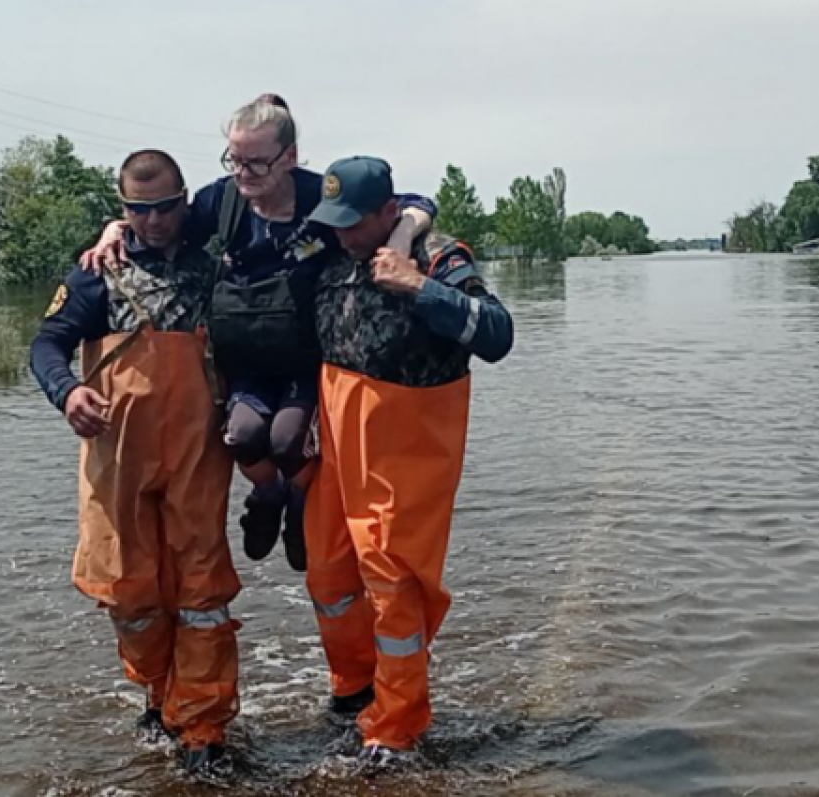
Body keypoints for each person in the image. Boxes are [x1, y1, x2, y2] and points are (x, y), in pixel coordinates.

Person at [80, 95, 436, 574]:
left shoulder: (317, 198)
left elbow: (415, 203)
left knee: (289, 441)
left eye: (257, 163)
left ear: (290, 157)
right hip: (246, 359)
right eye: (235, 161)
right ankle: (267, 495)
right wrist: (114, 228)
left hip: (303, 355)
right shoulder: (221, 203)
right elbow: (158, 221)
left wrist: (399, 239)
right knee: (243, 436)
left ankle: (298, 501)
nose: (244, 174)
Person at [30, 150, 240, 779]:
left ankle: (203, 726)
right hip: (117, 459)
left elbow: (270, 183)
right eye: (137, 210)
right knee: (131, 593)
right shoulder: (99, 271)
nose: (154, 221)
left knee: (202, 592)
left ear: (185, 202)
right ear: (121, 211)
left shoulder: (215, 269)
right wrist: (67, 391)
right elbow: (46, 344)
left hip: (198, 459)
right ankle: (158, 690)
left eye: (166, 207)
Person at [303, 156, 514, 766]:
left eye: (354, 223)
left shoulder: (440, 254)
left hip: (410, 442)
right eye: (334, 221)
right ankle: (354, 690)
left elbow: (498, 335)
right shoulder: (329, 251)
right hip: (340, 437)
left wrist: (417, 285)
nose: (342, 234)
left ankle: (397, 726)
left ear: (388, 212)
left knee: (394, 587)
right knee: (329, 575)